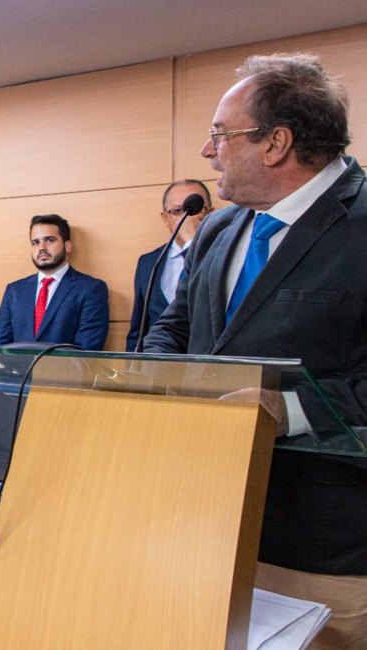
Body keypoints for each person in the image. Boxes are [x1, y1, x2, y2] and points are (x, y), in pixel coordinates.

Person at [141, 53, 366, 648]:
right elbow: (176, 324)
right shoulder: (219, 226)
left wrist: (285, 412)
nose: (207, 150)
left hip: (321, 543)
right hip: (204, 522)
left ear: (276, 143)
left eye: (220, 134)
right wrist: (152, 377)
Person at [0, 214, 109, 350]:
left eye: (50, 240)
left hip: (65, 371)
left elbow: (87, 348)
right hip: (19, 371)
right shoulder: (14, 290)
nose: (41, 247)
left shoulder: (91, 289)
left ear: (67, 246)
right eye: (35, 242)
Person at [125, 181, 213, 351]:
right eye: (178, 211)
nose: (188, 219)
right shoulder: (149, 262)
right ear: (165, 218)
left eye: (195, 211)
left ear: (210, 213)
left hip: (204, 363)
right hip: (156, 362)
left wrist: (192, 242)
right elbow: (139, 326)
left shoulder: (221, 255)